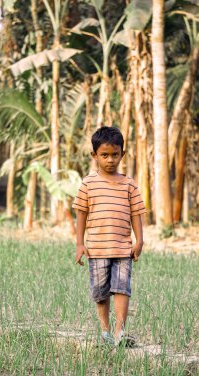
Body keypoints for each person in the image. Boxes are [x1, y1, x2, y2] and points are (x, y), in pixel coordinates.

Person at [72, 126, 146, 346]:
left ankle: (119, 332)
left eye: (115, 155)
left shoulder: (129, 184)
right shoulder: (88, 184)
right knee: (100, 292)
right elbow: (81, 213)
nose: (110, 160)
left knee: (122, 288)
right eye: (104, 155)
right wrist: (79, 244)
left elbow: (136, 214)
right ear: (94, 155)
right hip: (97, 248)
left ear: (122, 154)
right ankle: (105, 332)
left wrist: (139, 240)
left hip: (123, 248)